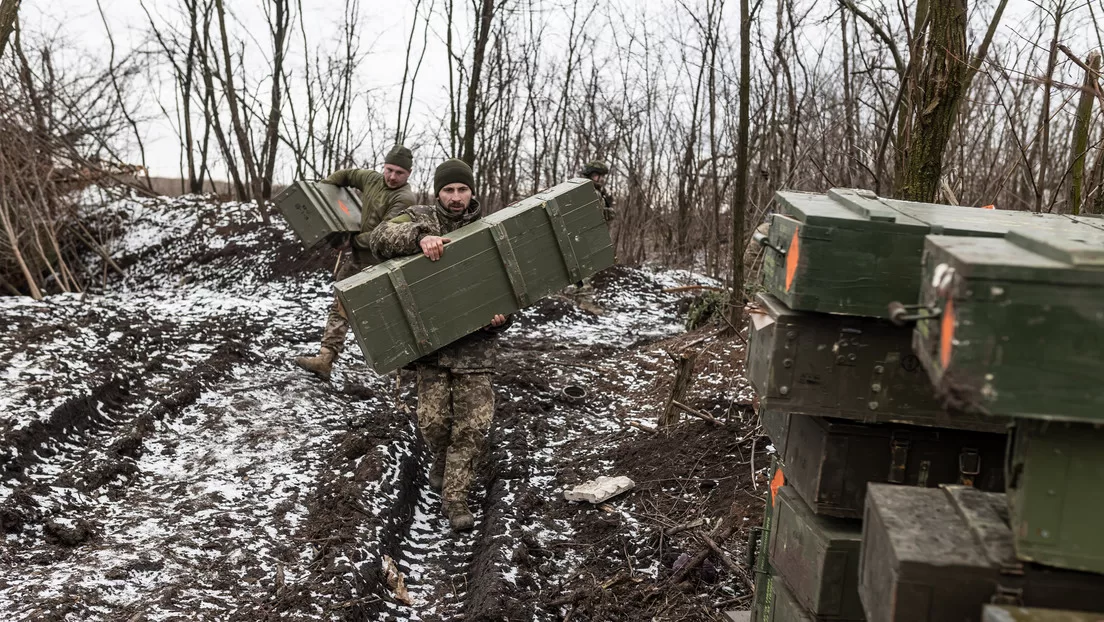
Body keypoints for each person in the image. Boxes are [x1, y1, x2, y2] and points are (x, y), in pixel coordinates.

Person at [369, 158, 512, 532]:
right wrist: (419, 239)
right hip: (431, 347)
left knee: (473, 427)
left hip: (475, 349)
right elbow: (379, 238)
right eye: (448, 190)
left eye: (462, 189)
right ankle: (441, 461)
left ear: (472, 191)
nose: (455, 196)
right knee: (434, 423)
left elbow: (511, 287)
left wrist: (502, 318)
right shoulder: (419, 217)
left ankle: (456, 498)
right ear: (438, 192)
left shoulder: (488, 228)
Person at [295, 145, 417, 381]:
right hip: (358, 260)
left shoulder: (404, 198)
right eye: (389, 169)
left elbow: (383, 235)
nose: (392, 176)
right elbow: (347, 175)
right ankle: (325, 359)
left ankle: (407, 362)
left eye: (399, 173)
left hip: (382, 265)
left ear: (408, 174)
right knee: (340, 306)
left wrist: (350, 241)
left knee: (384, 314)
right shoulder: (371, 179)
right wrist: (325, 190)